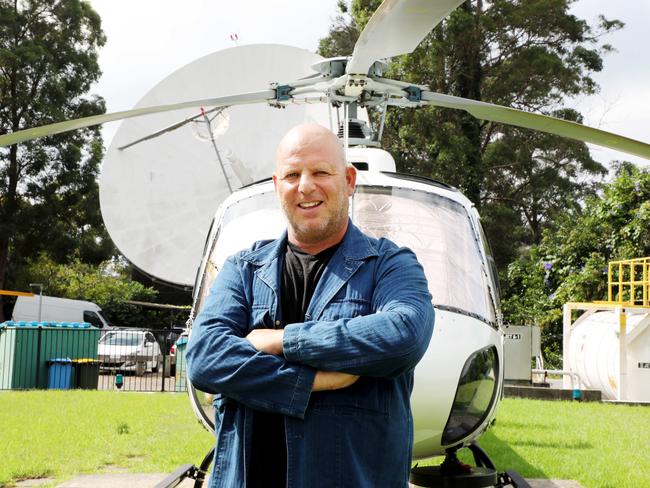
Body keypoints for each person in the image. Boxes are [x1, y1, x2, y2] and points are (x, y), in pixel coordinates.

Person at [187, 123, 434, 488]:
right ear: (277, 186)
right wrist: (311, 381)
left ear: (349, 181)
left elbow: (404, 335)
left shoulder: (390, 264)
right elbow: (205, 357)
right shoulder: (243, 268)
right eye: (292, 175)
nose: (305, 186)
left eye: (321, 172)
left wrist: (281, 341)